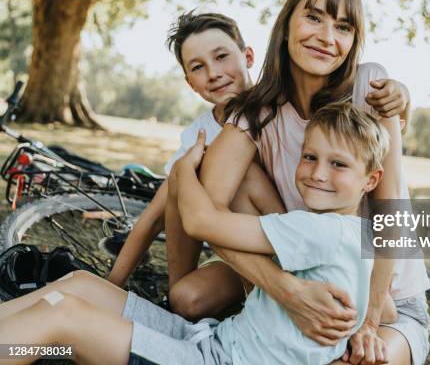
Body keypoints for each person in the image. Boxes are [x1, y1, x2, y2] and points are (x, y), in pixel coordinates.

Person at [166, 0, 430, 365]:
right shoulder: (254, 113)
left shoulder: (371, 88)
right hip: (308, 276)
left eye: (343, 27)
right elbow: (206, 213)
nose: (327, 37)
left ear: (353, 41)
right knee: (225, 184)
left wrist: (370, 322)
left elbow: (389, 213)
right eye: (313, 18)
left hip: (389, 304)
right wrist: (286, 291)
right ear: (286, 25)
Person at [0, 102, 392, 365]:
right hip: (214, 340)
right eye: (310, 157)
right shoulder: (355, 234)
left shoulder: (320, 229)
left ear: (370, 180)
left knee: (63, 316)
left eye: (338, 164)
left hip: (217, 361)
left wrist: (185, 169)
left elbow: (202, 221)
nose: (318, 173)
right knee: (80, 284)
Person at [105, 9, 411, 320]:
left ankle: (275, 300)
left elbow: (372, 136)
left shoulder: (279, 102)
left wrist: (404, 99)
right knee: (185, 296)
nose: (214, 72)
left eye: (222, 56)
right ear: (189, 82)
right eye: (198, 67)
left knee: (225, 176)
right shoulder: (200, 133)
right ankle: (180, 307)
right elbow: (159, 211)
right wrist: (113, 283)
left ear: (248, 56)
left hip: (299, 234)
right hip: (246, 246)